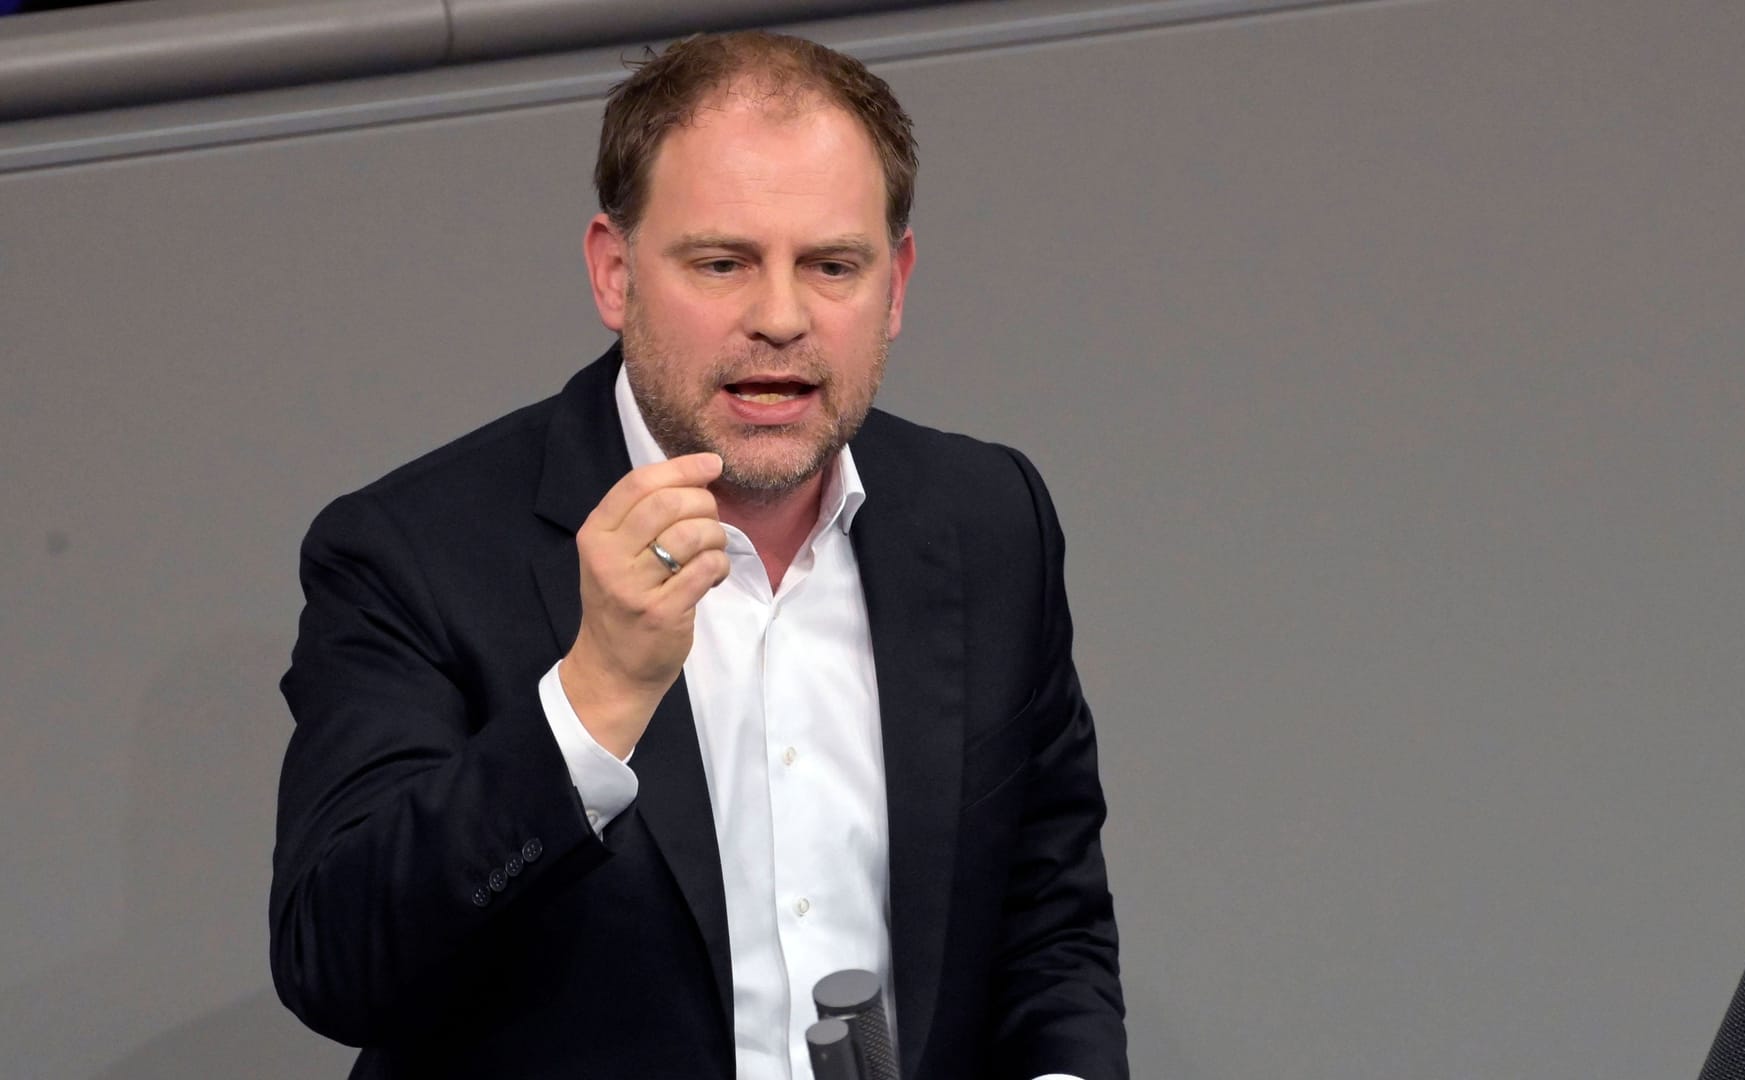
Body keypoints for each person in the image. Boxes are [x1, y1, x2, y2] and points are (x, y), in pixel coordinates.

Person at [270, 30, 1125, 1080]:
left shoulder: (989, 518)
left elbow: (1048, 918)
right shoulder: (412, 553)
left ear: (896, 285)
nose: (780, 318)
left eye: (832, 266)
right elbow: (337, 964)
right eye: (723, 263)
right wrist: (594, 698)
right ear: (615, 272)